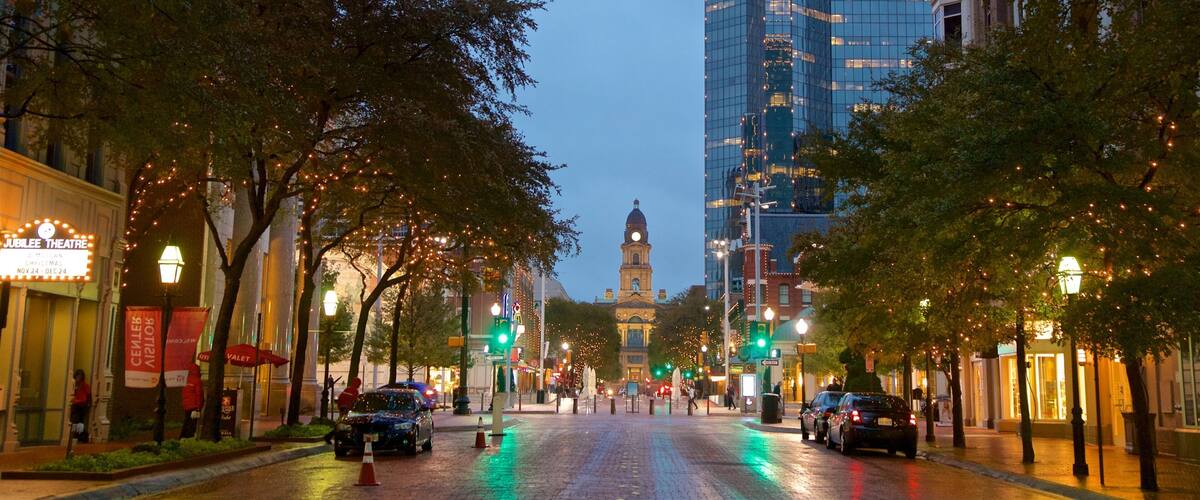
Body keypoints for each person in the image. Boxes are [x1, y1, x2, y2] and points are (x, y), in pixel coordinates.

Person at [181, 363, 204, 439]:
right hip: (194, 405)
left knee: (186, 422)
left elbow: (184, 393)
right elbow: (199, 394)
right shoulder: (197, 381)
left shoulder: (186, 380)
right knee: (192, 424)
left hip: (187, 405)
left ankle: (182, 437)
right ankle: (188, 437)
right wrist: (199, 407)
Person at [70, 369, 91, 443]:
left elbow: (88, 396)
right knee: (77, 422)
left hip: (81, 405)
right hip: (76, 405)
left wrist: (88, 405)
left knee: (78, 421)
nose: (78, 378)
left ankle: (82, 436)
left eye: (80, 376)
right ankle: (80, 436)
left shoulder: (85, 385)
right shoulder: (74, 385)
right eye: (77, 376)